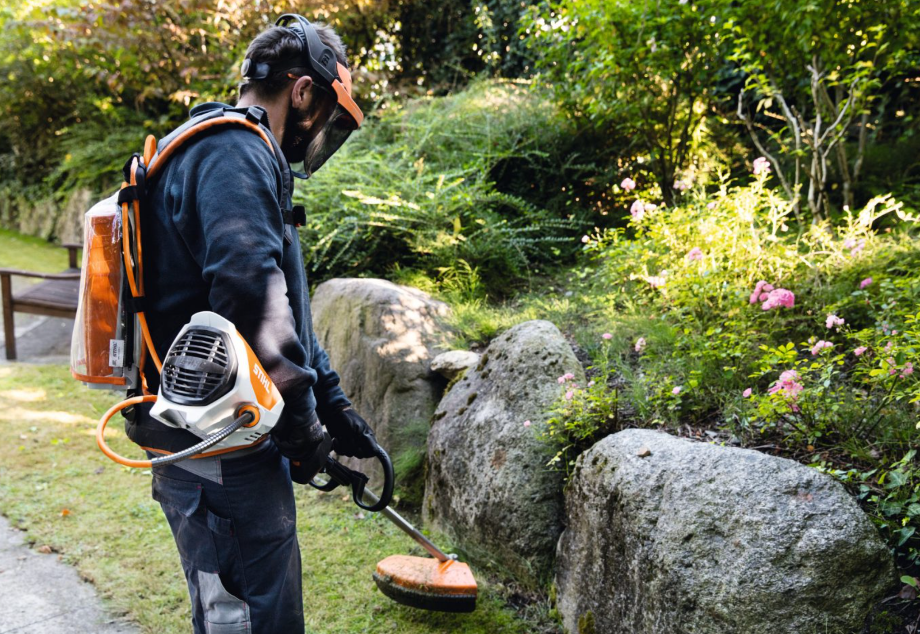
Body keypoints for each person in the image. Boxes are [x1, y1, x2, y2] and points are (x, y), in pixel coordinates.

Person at [124, 15, 377, 634]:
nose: (322, 133)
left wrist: (335, 408)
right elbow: (248, 303)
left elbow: (281, 303)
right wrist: (302, 427)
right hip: (216, 443)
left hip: (226, 429)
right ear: (303, 92)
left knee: (256, 607)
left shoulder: (226, 147)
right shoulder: (232, 154)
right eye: (328, 113)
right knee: (245, 618)